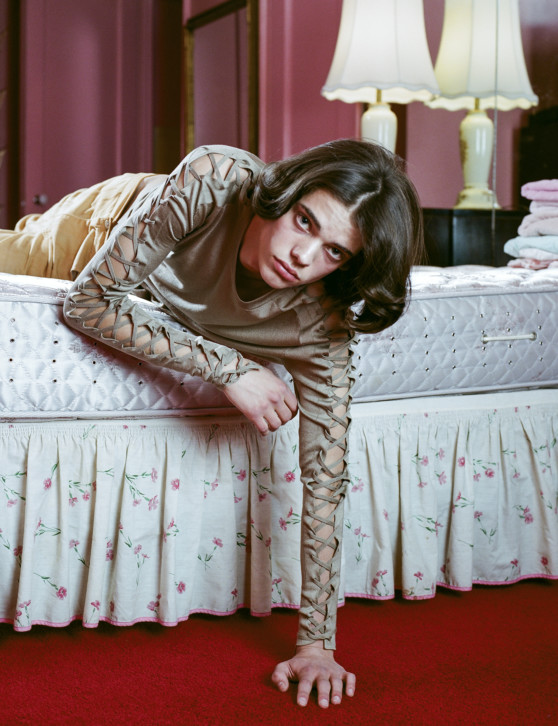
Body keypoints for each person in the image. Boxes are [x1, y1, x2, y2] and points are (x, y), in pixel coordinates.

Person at [0, 139, 423, 707]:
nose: (302, 256)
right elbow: (89, 302)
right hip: (103, 225)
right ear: (288, 193)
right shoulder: (215, 178)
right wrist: (227, 366)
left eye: (334, 252)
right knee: (18, 243)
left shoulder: (322, 330)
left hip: (154, 269)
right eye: (304, 220)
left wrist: (317, 645)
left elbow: (325, 482)